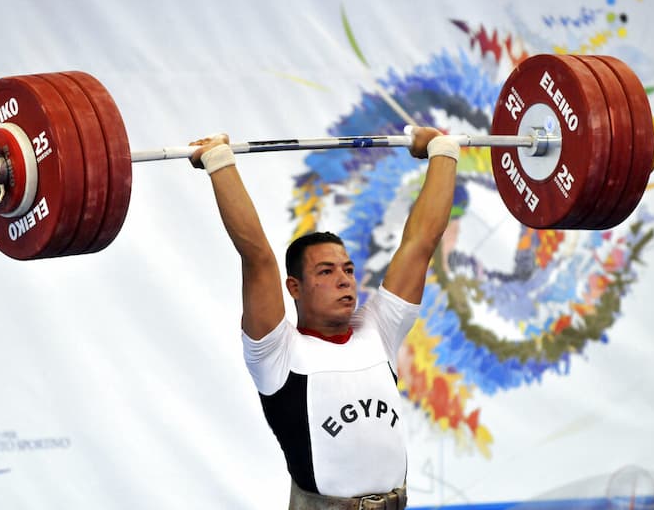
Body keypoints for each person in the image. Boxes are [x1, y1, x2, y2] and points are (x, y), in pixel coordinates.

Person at [189, 127, 459, 510]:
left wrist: (442, 150)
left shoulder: (378, 328)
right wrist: (219, 162)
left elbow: (421, 241)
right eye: (327, 272)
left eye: (347, 269)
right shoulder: (278, 352)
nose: (344, 280)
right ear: (295, 287)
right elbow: (257, 256)